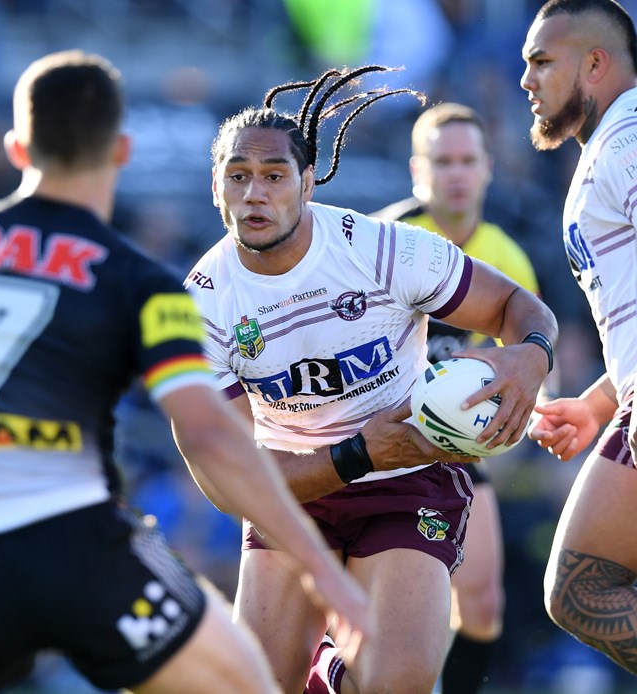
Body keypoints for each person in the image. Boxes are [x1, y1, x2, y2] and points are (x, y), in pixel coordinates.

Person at [0, 50, 373, 694]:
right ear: (122, 151)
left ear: (17, 148)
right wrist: (319, 566)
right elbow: (211, 434)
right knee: (250, 684)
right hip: (84, 560)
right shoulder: (142, 282)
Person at [184, 65, 558, 694]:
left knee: (396, 685)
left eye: (274, 177)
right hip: (289, 493)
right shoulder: (198, 306)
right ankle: (330, 671)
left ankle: (339, 672)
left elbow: (522, 312)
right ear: (217, 187)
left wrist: (532, 355)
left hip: (407, 480)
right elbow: (223, 482)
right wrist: (358, 452)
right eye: (238, 176)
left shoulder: (384, 250)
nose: (255, 194)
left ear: (307, 182)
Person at [374, 102, 541, 694]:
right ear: (418, 169)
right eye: (442, 161)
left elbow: (525, 369)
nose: (456, 173)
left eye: (467, 160)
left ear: (487, 168)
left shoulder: (509, 259)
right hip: (387, 444)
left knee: (484, 605)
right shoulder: (386, 241)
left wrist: (516, 428)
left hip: (460, 446)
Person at [521, 0, 637, 676]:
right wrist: (599, 403)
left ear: (594, 64)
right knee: (577, 588)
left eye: (542, 62)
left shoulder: (627, 145)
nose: (526, 80)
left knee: (580, 587)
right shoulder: (609, 150)